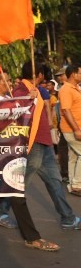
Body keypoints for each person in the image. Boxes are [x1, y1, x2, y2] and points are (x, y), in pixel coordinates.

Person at [0, 71, 62, 250]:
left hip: (12, 153)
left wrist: (31, 100)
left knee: (2, 190)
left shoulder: (8, 98)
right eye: (5, 81)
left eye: (9, 80)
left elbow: (23, 112)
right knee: (16, 194)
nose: (9, 84)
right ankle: (32, 237)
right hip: (1, 155)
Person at [9, 62, 81, 228]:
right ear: (39, 74)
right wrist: (28, 98)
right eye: (43, 74)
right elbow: (16, 110)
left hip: (44, 141)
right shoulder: (21, 90)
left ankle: (68, 218)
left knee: (54, 181)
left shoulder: (37, 90)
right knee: (19, 184)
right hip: (34, 142)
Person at [59, 64, 81, 196]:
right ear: (73, 74)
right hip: (72, 129)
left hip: (75, 128)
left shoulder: (75, 88)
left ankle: (73, 184)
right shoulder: (66, 89)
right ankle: (77, 184)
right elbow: (66, 111)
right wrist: (76, 129)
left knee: (73, 156)